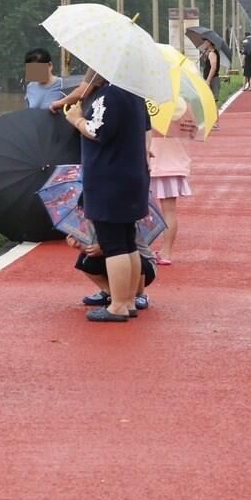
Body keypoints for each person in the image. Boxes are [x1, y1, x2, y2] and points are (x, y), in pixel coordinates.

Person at [63, 72, 152, 321]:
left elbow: (96, 130)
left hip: (108, 178)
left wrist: (77, 119)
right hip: (131, 175)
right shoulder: (134, 93)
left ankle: (119, 305)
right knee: (127, 241)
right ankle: (129, 300)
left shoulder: (109, 95)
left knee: (113, 245)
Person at [148, 101, 195, 265]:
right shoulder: (181, 103)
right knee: (169, 211)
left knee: (139, 209)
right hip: (173, 161)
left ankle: (140, 249)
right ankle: (166, 252)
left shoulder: (147, 101)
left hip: (149, 160)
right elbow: (192, 131)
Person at [74, 237, 155, 312]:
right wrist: (80, 246)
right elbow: (91, 248)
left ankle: (138, 294)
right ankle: (109, 292)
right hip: (113, 254)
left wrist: (103, 248)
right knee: (85, 259)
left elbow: (125, 246)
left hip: (145, 265)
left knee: (129, 256)